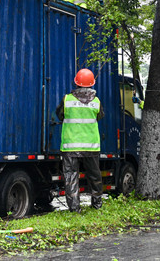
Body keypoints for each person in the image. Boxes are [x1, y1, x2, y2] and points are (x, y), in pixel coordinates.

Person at [55, 68, 104, 212]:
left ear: (76, 83)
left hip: (70, 147)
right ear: (91, 84)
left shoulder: (67, 99)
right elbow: (100, 116)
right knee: (95, 176)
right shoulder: (96, 101)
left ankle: (75, 209)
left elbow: (60, 115)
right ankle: (97, 205)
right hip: (91, 146)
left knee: (71, 177)